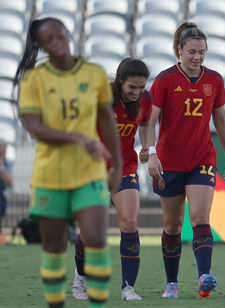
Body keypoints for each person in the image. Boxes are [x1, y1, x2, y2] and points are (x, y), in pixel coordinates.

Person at [14, 17, 122, 308]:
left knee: (96, 240)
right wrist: (79, 139)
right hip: (50, 175)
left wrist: (117, 164)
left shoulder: (94, 74)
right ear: (41, 45)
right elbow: (34, 128)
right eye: (48, 40)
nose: (56, 42)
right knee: (54, 247)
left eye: (59, 35)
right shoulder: (34, 79)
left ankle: (97, 303)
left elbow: (107, 121)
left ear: (67, 33)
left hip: (89, 172)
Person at [145, 21, 225, 298]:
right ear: (179, 50)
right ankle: (171, 284)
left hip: (202, 159)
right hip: (169, 162)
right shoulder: (164, 80)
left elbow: (220, 121)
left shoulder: (214, 80)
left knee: (199, 217)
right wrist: (151, 155)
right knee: (172, 226)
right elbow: (150, 121)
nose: (197, 57)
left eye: (202, 52)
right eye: (192, 52)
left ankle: (203, 278)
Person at [72, 58, 152, 301]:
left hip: (124, 167)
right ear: (120, 82)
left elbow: (147, 122)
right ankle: (80, 278)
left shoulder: (145, 101)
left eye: (141, 87)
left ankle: (128, 288)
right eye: (132, 88)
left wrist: (148, 146)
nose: (137, 93)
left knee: (129, 222)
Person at [0, 141, 13, 245]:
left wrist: (1, 167)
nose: (3, 154)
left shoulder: (6, 165)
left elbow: (10, 183)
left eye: (4, 152)